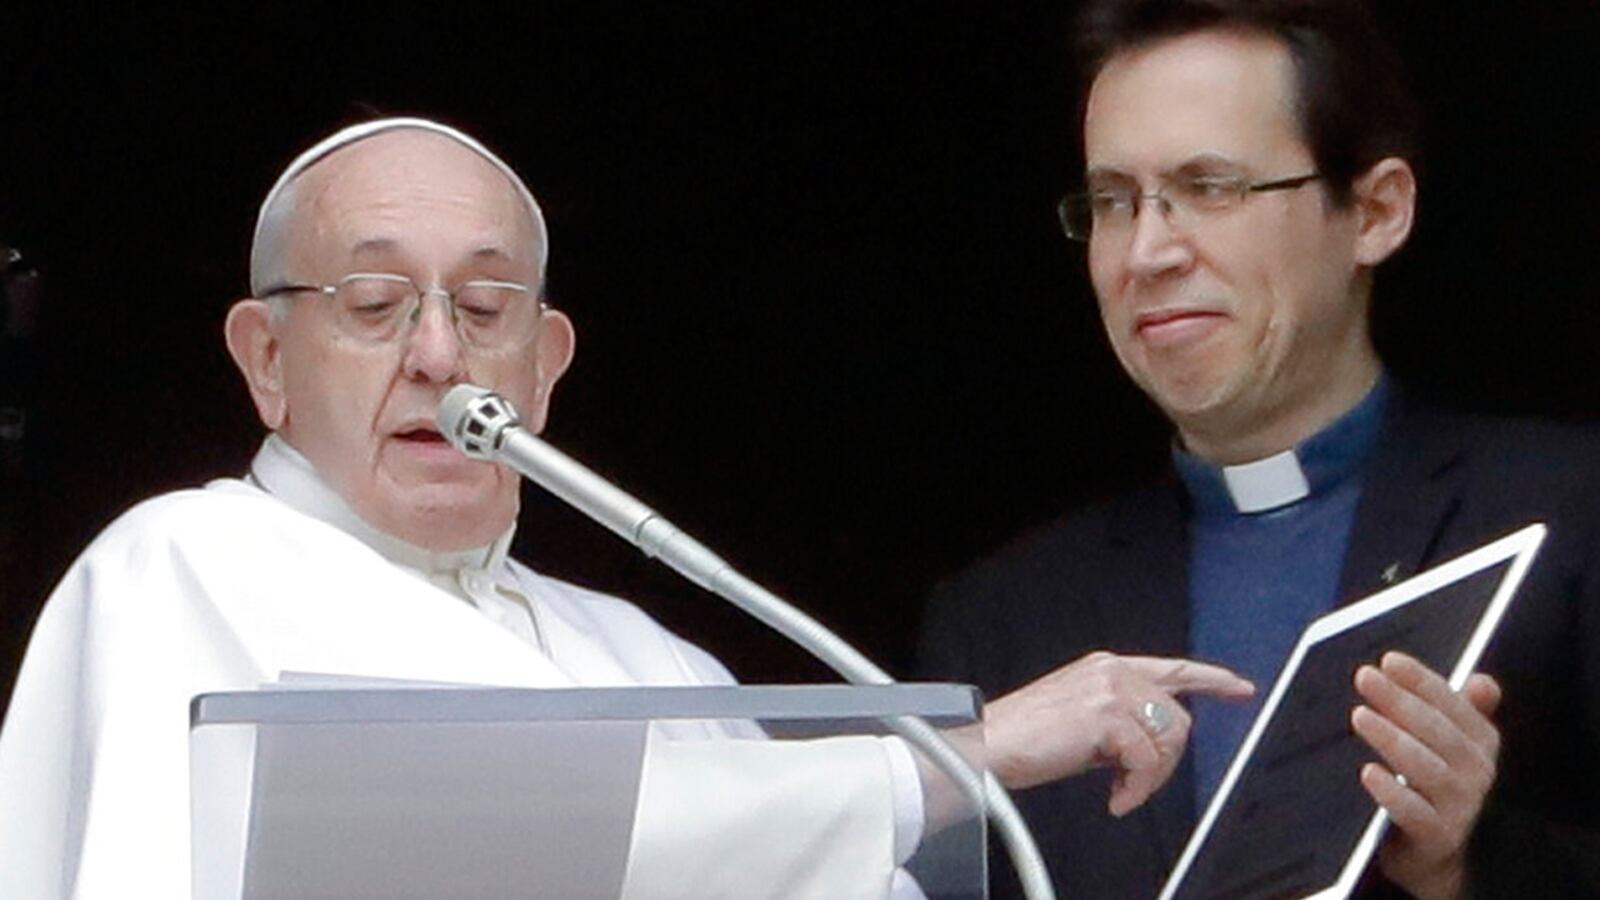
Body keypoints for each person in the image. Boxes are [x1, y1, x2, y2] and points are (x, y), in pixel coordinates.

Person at [0, 117, 1249, 899]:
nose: (439, 356)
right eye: (375, 305)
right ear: (265, 360)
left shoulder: (650, 660)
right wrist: (969, 758)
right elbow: (504, 838)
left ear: (544, 366)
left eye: (485, 313)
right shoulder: (180, 565)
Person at [916, 2, 1600, 899]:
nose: (1148, 252)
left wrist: (1471, 861)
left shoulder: (1570, 509)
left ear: (1377, 212)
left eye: (1211, 188)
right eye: (1115, 201)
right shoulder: (1000, 622)